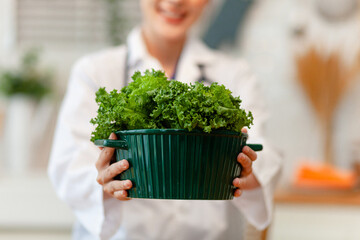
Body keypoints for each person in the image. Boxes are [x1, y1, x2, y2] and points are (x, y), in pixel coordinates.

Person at [48, 0, 282, 239]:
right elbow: (68, 167)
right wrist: (102, 180)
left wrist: (247, 172)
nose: (176, 1)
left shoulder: (236, 74)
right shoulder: (94, 71)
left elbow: (267, 153)